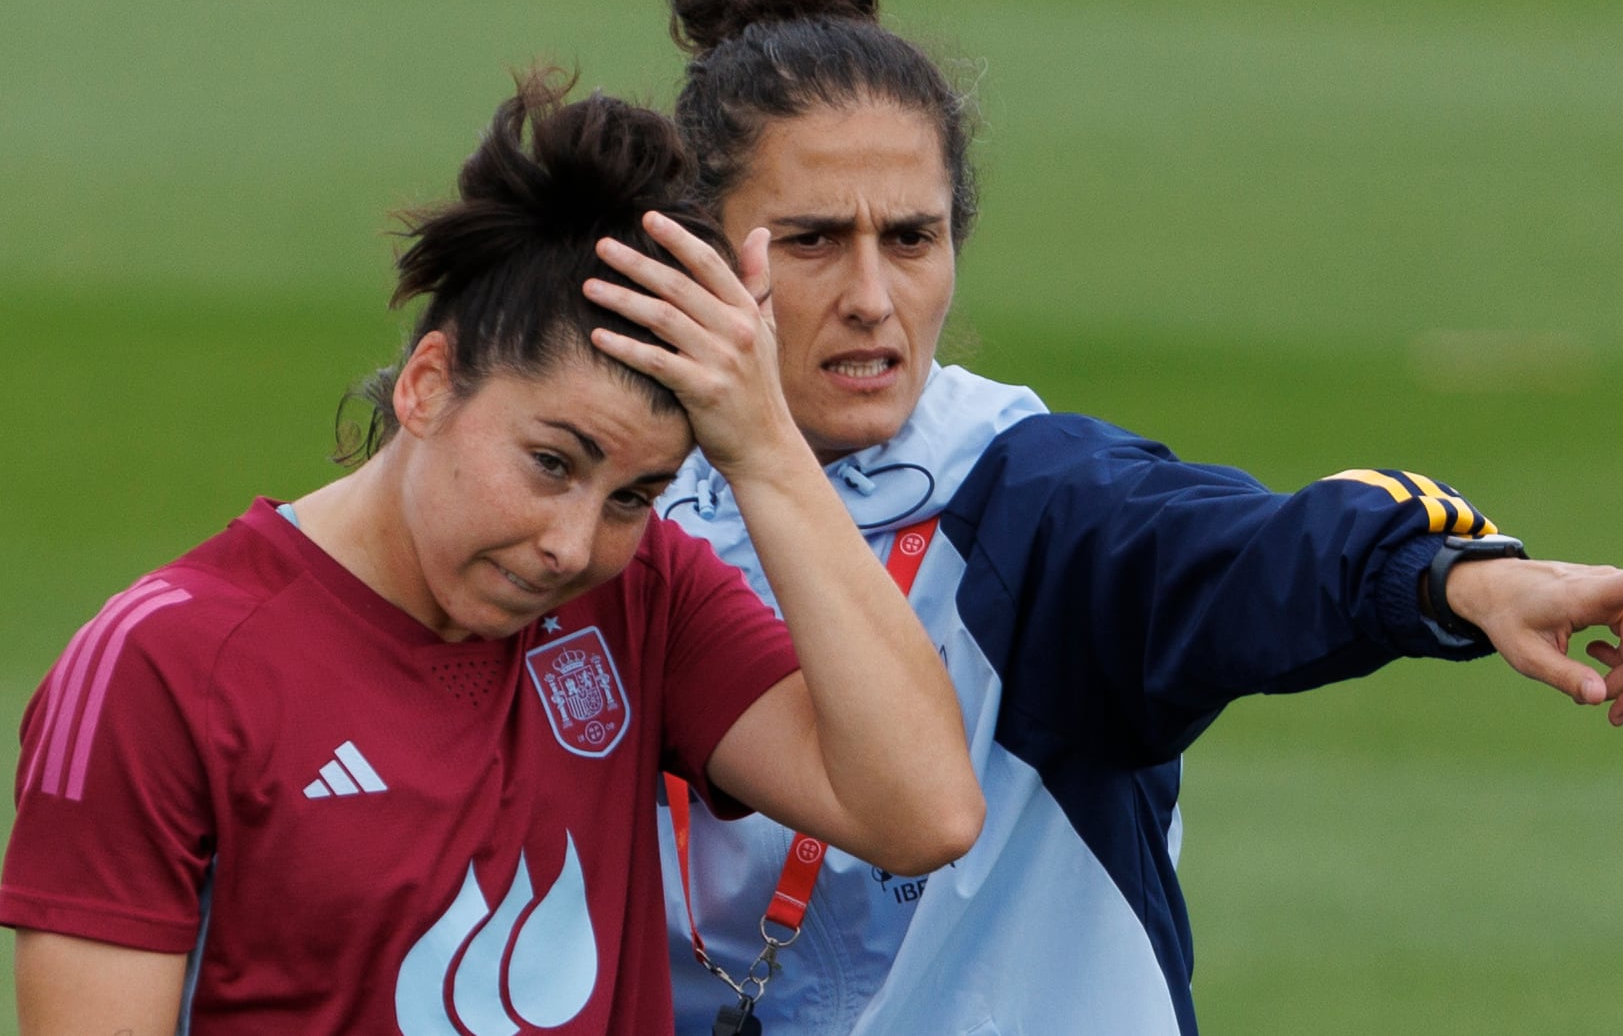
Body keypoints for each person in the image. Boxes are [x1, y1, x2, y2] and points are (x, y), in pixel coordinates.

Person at [647, 0, 1623, 1036]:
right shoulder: (615, 502)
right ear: (699, 250)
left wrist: (1447, 580)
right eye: (815, 240)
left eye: (910, 237)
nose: (873, 295)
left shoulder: (1030, 499)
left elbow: (1234, 552)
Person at [0, 68, 983, 1035]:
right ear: (427, 384)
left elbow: (923, 811)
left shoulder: (642, 592)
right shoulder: (163, 665)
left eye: (635, 495)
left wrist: (766, 450)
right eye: (552, 461)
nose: (570, 545)